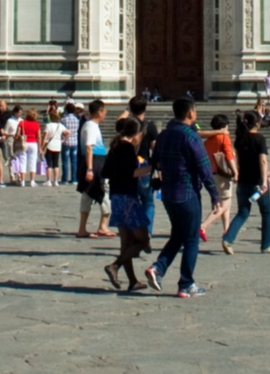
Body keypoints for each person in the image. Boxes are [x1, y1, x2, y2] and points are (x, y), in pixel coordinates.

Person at [146, 97, 222, 297]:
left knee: (179, 234)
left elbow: (155, 161)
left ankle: (157, 269)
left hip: (168, 194)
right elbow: (204, 168)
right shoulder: (192, 137)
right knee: (191, 239)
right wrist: (214, 195)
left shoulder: (163, 135)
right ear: (190, 114)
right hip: (187, 193)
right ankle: (186, 283)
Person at [102, 117, 153, 290]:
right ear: (137, 134)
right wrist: (152, 167)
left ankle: (132, 281)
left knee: (127, 242)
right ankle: (115, 265)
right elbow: (132, 172)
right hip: (128, 197)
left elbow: (106, 171)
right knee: (143, 240)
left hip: (116, 197)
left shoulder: (116, 146)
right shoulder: (127, 148)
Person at [222, 110, 270, 254]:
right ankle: (266, 245)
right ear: (257, 123)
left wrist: (237, 174)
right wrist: (265, 180)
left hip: (243, 181)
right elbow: (263, 161)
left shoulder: (240, 139)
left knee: (242, 212)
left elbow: (238, 161)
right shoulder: (259, 139)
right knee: (266, 212)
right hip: (257, 182)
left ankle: (228, 239)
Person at [76, 100, 111, 237]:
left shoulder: (93, 125)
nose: (106, 113)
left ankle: (102, 226)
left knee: (98, 193)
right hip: (94, 163)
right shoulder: (90, 126)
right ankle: (83, 228)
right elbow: (89, 147)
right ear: (99, 112)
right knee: (92, 194)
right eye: (104, 110)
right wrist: (90, 169)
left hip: (98, 161)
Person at [201, 114, 237, 239]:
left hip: (211, 174)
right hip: (223, 174)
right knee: (224, 204)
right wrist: (235, 171)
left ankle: (226, 231)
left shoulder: (208, 141)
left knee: (222, 202)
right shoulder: (224, 138)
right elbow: (229, 156)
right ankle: (203, 226)